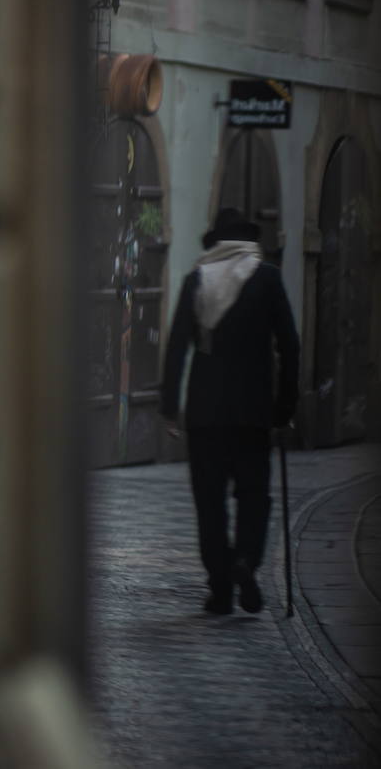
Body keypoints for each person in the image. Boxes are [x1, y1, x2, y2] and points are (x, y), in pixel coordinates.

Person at [161, 207, 299, 615]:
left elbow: (177, 345)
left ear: (216, 243)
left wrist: (171, 406)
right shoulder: (267, 278)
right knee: (254, 496)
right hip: (253, 413)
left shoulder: (197, 280)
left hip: (205, 415)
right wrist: (284, 406)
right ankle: (246, 562)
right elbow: (289, 345)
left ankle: (220, 587)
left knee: (210, 502)